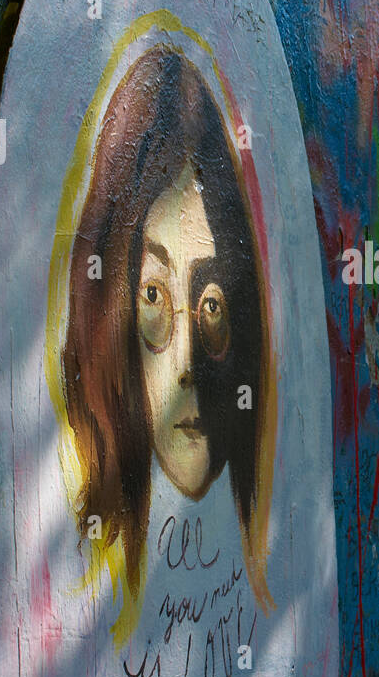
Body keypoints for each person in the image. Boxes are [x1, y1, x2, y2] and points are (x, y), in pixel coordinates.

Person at [59, 43, 273, 623]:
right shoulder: (71, 586)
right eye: (153, 295)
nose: (186, 362)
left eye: (211, 303)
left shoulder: (259, 576)